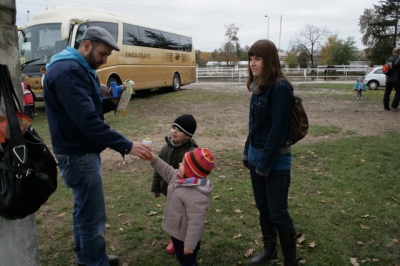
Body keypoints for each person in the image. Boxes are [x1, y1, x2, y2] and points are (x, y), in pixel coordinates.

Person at [43, 26, 152, 266]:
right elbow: (87, 121)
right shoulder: (68, 71)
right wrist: (127, 145)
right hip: (78, 154)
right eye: (102, 54)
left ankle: (86, 256)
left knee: (83, 209)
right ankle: (95, 261)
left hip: (79, 151)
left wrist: (111, 101)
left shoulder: (76, 68)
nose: (104, 61)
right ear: (87, 45)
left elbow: (84, 110)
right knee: (92, 215)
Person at [243, 40, 300, 266]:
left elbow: (277, 129)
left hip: (276, 161)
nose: (252, 63)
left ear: (270, 60)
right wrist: (248, 152)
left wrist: (265, 164)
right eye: (250, 58)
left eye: (258, 58)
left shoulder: (280, 87)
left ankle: (290, 260)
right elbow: (254, 125)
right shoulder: (259, 86)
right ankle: (270, 250)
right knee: (263, 208)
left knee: (278, 213)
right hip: (257, 157)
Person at [145, 147, 214, 266]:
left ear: (191, 172)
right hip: (176, 231)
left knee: (187, 261)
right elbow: (166, 170)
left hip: (185, 237)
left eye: (183, 164)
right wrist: (154, 159)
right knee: (181, 257)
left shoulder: (197, 197)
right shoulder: (179, 177)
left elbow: (196, 223)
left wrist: (190, 244)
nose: (179, 164)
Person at [150, 114, 198, 255]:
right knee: (174, 217)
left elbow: (195, 176)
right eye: (173, 127)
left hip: (185, 194)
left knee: (185, 218)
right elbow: (158, 168)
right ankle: (175, 239)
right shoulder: (166, 147)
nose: (174, 131)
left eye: (179, 130)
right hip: (169, 190)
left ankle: (188, 240)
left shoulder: (192, 152)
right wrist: (156, 187)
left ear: (188, 136)